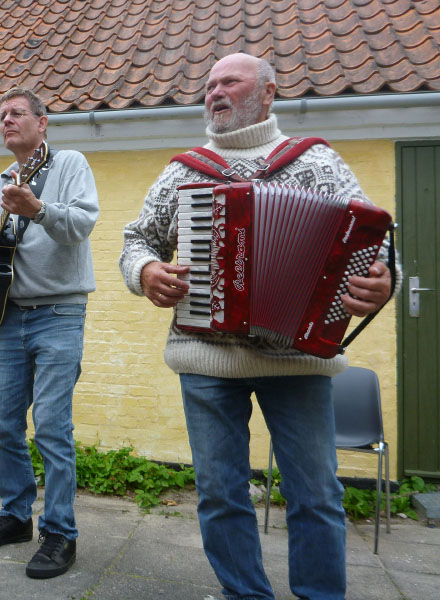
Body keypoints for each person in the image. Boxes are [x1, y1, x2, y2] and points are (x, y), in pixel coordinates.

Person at [119, 53, 398, 600]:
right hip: (205, 358)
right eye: (209, 85)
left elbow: (374, 243)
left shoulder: (318, 162)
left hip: (299, 357)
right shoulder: (185, 170)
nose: (214, 92)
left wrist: (380, 283)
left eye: (230, 81)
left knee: (315, 492)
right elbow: (138, 239)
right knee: (220, 492)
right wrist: (146, 271)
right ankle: (245, 594)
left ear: (268, 93)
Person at [0, 87, 99, 579]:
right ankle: (17, 517)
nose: (6, 121)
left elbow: (81, 224)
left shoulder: (71, 164)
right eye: (0, 116)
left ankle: (60, 533)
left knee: (54, 427)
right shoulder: (0, 181)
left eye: (16, 113)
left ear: (43, 122)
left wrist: (36, 208)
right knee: (4, 427)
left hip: (60, 314)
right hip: (8, 318)